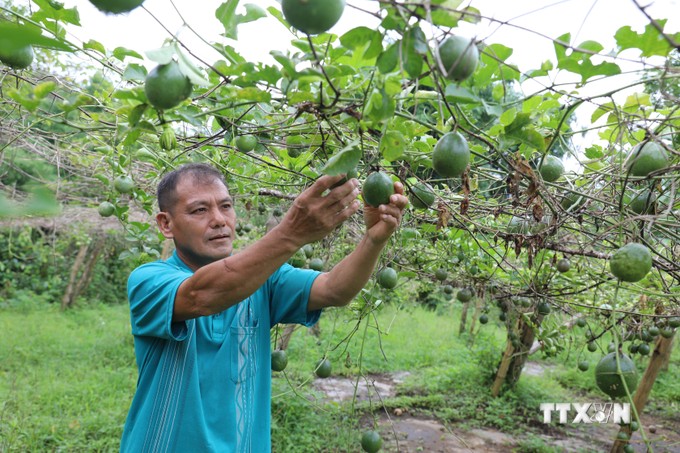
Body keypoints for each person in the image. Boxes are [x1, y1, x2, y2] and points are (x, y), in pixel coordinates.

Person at [120, 162, 408, 452]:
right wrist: (292, 233)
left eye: (226, 206)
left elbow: (335, 288)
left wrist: (373, 239)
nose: (219, 220)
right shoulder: (148, 281)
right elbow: (202, 294)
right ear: (166, 224)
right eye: (200, 210)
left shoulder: (265, 280)